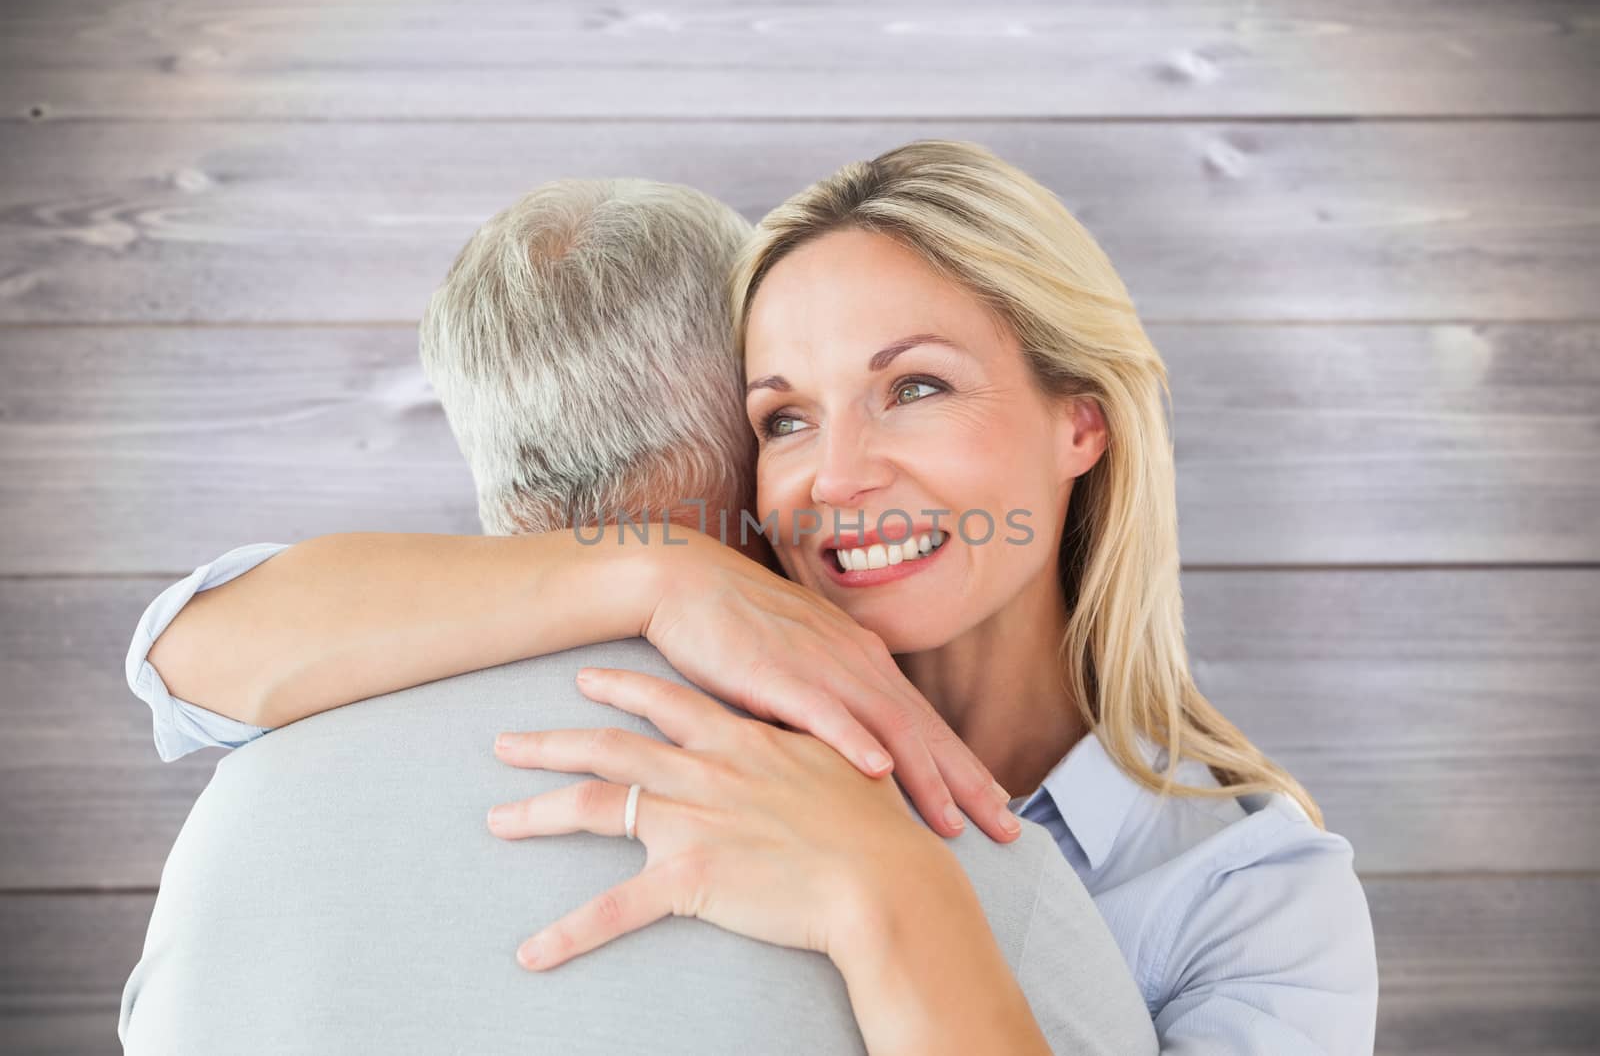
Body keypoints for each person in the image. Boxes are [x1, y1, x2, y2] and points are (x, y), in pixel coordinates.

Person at [137, 141, 1382, 1051]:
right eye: (783, 415)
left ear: (1080, 419)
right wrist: (655, 565)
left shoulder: (1250, 896)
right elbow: (191, 655)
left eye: (917, 387)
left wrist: (885, 889)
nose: (837, 474)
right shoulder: (681, 690)